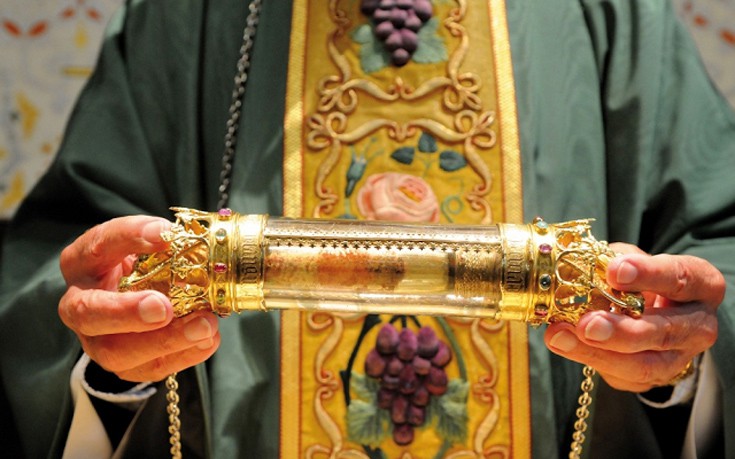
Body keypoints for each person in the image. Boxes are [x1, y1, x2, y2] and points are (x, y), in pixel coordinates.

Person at [0, 0, 733, 458]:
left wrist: (677, 358)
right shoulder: (188, 17)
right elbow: (66, 273)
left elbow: (711, 255)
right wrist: (111, 356)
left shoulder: (609, 13)